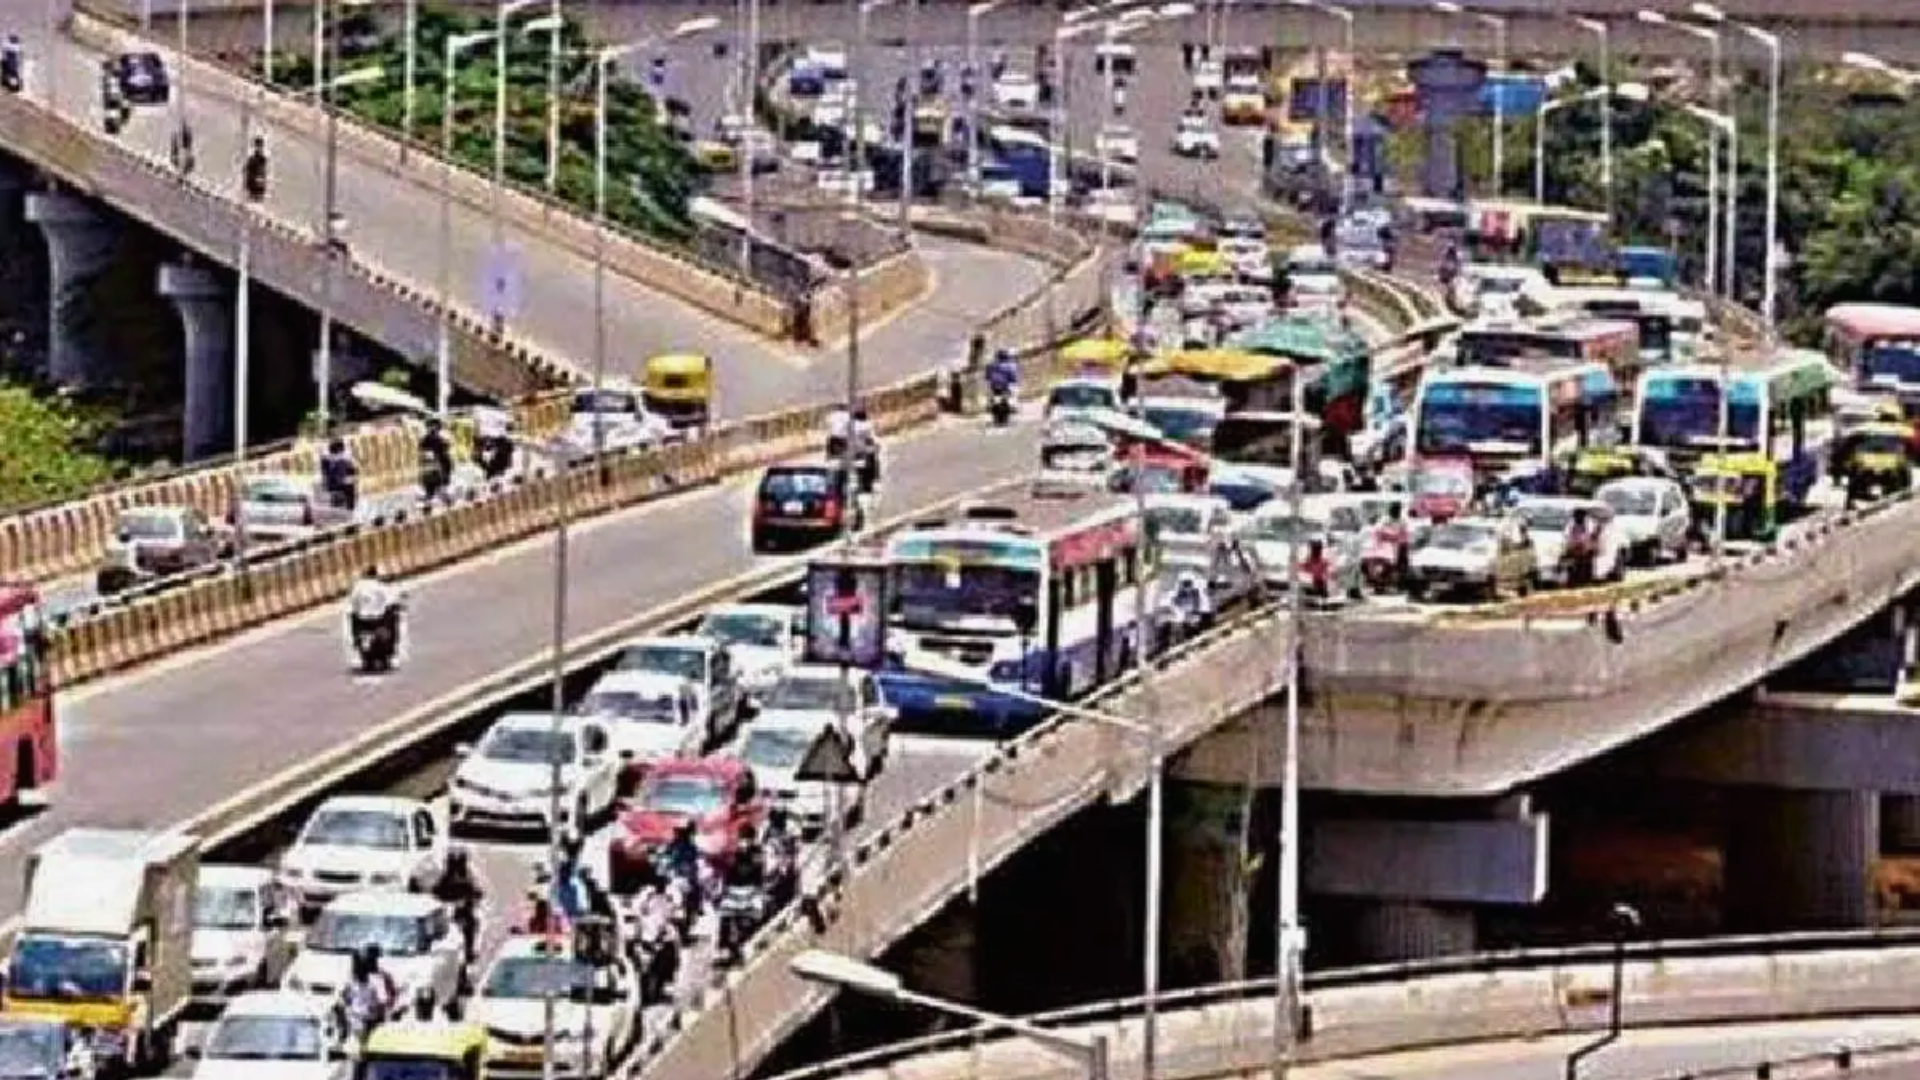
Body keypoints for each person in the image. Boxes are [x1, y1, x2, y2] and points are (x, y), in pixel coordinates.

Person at [430, 848, 483, 966]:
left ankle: (469, 951)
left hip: (463, 912)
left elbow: (477, 891)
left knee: (471, 925)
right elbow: (435, 891)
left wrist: (471, 899)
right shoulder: (444, 878)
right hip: (447, 911)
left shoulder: (468, 877)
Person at [348, 566, 402, 656]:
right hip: (379, 619)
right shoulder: (380, 586)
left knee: (353, 616)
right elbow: (390, 601)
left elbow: (353, 603)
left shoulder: (358, 587)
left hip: (363, 620)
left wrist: (359, 611)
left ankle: (356, 640)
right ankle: (392, 645)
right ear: (376, 575)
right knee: (393, 615)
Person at [418, 418, 453, 502]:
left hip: (440, 463)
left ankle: (441, 496)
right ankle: (431, 495)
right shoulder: (426, 439)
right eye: (430, 426)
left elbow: (446, 450)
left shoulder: (441, 438)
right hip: (432, 464)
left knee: (441, 482)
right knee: (432, 482)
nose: (432, 428)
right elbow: (422, 451)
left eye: (434, 426)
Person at [320, 437, 359, 512]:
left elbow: (325, 472)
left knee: (348, 480)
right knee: (350, 483)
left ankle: (338, 501)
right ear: (341, 448)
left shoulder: (326, 458)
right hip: (342, 482)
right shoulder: (345, 458)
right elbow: (353, 469)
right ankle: (349, 505)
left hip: (333, 483)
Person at [1563, 508, 1598, 586]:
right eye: (1576, 516)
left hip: (1586, 547)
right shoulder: (1571, 524)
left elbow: (1592, 534)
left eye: (1580, 516)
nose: (1578, 518)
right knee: (1571, 563)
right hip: (1574, 546)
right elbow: (1567, 534)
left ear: (1583, 516)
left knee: (1587, 563)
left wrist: (1588, 544)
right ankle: (1572, 579)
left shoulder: (1589, 523)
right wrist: (1571, 543)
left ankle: (1586, 579)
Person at [242, 135, 268, 202]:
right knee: (251, 199)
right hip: (252, 184)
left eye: (259, 146)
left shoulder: (262, 159)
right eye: (257, 146)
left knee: (256, 199)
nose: (258, 148)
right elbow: (245, 170)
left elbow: (263, 173)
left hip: (257, 185)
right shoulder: (252, 159)